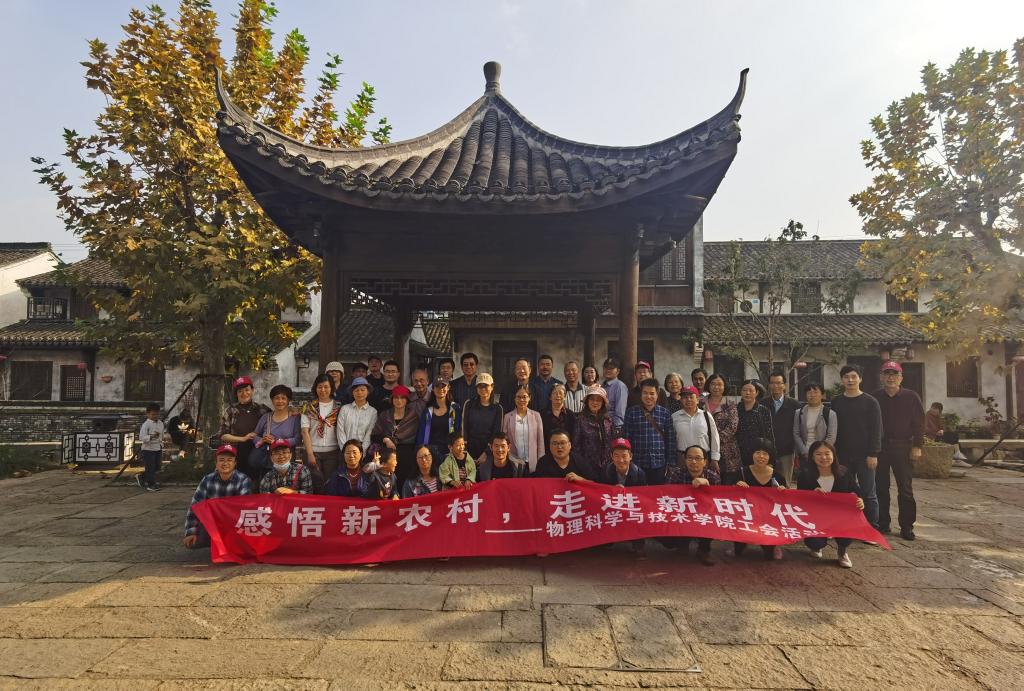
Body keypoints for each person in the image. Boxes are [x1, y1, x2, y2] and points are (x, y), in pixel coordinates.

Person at [873, 361, 924, 540]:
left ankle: (907, 526)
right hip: (881, 448)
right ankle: (882, 523)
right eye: (887, 374)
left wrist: (917, 446)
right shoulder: (875, 397)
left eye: (894, 374)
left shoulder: (911, 397)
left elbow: (919, 423)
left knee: (905, 489)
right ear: (881, 377)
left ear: (901, 378)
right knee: (880, 487)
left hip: (903, 447)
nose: (891, 378)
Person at [797, 440, 864, 568]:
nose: (823, 457)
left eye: (827, 453)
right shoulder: (805, 475)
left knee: (847, 529)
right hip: (816, 518)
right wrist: (811, 493)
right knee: (815, 542)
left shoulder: (844, 472)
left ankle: (842, 552)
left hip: (840, 517)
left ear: (833, 455)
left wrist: (860, 500)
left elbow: (856, 491)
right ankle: (816, 547)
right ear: (812, 457)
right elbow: (799, 499)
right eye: (818, 454)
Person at [831, 364, 882, 529]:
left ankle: (871, 527)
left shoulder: (871, 402)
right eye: (846, 377)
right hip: (843, 455)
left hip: (865, 455)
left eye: (854, 377)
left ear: (860, 379)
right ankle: (846, 526)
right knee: (844, 491)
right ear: (842, 380)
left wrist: (873, 453)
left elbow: (876, 429)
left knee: (868, 492)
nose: (850, 380)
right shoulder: (836, 402)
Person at [183, 444, 252, 548]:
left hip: (234, 524)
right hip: (213, 523)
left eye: (229, 460)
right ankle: (216, 544)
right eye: (221, 460)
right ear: (216, 463)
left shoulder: (243, 480)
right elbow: (195, 506)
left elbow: (245, 508)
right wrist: (191, 531)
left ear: (235, 463)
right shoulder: (207, 480)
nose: (225, 463)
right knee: (194, 543)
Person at [733, 437, 788, 561]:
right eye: (757, 452)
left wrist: (783, 491)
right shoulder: (742, 472)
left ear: (770, 456)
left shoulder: (778, 476)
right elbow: (728, 497)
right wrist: (736, 486)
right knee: (738, 552)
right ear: (751, 454)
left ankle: (775, 545)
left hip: (769, 519)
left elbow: (785, 503)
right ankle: (738, 542)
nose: (761, 456)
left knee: (769, 556)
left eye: (765, 453)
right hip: (746, 516)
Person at [663, 445, 719, 566]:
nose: (693, 462)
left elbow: (718, 503)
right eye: (690, 458)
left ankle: (703, 550)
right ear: (685, 460)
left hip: (703, 515)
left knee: (712, 518)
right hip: (681, 513)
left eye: (698, 458)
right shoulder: (675, 474)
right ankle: (682, 543)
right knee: (667, 540)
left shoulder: (713, 477)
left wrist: (707, 486)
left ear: (705, 461)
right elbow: (667, 498)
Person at [217, 376, 271, 486]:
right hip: (238, 453)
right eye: (240, 391)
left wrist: (291, 410)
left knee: (256, 485)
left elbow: (278, 417)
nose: (244, 393)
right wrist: (243, 438)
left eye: (247, 390)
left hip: (258, 453)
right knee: (239, 485)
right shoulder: (231, 410)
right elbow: (223, 435)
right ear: (236, 394)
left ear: (252, 390)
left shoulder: (262, 409)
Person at [623, 378, 676, 485]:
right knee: (637, 492)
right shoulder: (631, 412)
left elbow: (670, 440)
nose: (648, 396)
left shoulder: (665, 413)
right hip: (637, 463)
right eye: (645, 393)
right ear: (641, 394)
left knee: (657, 492)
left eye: (652, 393)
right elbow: (626, 439)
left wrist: (671, 463)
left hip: (659, 463)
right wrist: (627, 461)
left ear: (657, 394)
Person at [371, 384, 420, 487]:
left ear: (407, 400)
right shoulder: (385, 415)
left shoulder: (413, 416)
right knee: (387, 484)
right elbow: (374, 435)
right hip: (387, 455)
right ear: (392, 400)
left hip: (407, 456)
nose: (399, 400)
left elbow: (417, 438)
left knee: (405, 484)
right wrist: (386, 440)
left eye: (402, 398)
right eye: (396, 398)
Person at [301, 374, 343, 493]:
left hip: (332, 452)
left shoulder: (339, 407)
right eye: (319, 387)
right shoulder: (308, 407)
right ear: (315, 388)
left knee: (330, 484)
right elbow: (304, 431)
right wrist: (310, 454)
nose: (323, 390)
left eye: (326, 387)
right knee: (315, 484)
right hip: (313, 451)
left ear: (332, 388)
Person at [251, 384, 302, 477]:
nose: (280, 401)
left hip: (286, 461)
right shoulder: (266, 417)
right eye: (277, 398)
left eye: (283, 398)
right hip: (268, 462)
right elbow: (254, 435)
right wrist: (262, 440)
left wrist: (277, 442)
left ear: (288, 400)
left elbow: (297, 438)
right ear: (272, 400)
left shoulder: (295, 418)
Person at [671, 386, 721, 476]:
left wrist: (715, 459)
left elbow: (715, 437)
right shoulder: (674, 417)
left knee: (703, 483)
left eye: (691, 397)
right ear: (681, 400)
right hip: (682, 458)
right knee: (682, 482)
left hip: (702, 459)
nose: (688, 400)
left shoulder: (706, 415)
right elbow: (671, 440)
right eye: (685, 397)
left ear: (697, 400)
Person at [704, 373, 742, 485]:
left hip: (727, 451)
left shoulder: (730, 404)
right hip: (705, 449)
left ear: (724, 386)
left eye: (720, 384)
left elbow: (733, 426)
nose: (716, 387)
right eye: (713, 384)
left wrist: (714, 441)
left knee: (728, 483)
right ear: (708, 385)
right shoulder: (701, 402)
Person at [766, 371, 803, 486]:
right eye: (772, 383)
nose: (775, 386)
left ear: (784, 385)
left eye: (778, 383)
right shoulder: (763, 403)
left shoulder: (794, 405)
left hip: (786, 451)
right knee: (767, 483)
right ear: (769, 385)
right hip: (767, 451)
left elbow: (798, 429)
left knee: (784, 484)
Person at [735, 379, 775, 482]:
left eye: (751, 390)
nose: (747, 393)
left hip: (758, 454)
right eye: (744, 390)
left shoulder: (763, 410)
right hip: (738, 454)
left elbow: (769, 435)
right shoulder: (735, 409)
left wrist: (770, 458)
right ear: (741, 392)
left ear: (756, 393)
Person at [571, 385, 614, 480]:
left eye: (598, 400)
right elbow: (576, 446)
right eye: (592, 399)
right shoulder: (580, 419)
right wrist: (581, 464)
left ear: (603, 403)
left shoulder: (608, 420)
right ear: (587, 401)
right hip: (587, 466)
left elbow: (612, 442)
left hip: (607, 466)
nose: (595, 402)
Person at [793, 383, 839, 469]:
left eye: (815, 392)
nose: (812, 395)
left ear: (822, 394)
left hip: (823, 456)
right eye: (809, 392)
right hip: (805, 454)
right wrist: (805, 452)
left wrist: (819, 453)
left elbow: (831, 436)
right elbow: (796, 434)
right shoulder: (798, 412)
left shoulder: (830, 413)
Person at [418, 376, 460, 467]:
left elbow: (458, 431)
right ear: (433, 389)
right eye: (437, 386)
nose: (440, 389)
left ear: (448, 388)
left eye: (443, 386)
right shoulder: (428, 411)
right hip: (431, 454)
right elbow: (421, 435)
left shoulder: (455, 409)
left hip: (450, 453)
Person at [502, 385, 545, 472]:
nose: (521, 400)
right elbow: (504, 441)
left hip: (532, 462)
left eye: (524, 397)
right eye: (518, 397)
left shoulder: (536, 416)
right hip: (514, 462)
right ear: (514, 398)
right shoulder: (507, 417)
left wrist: (541, 461)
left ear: (529, 398)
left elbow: (540, 441)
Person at [461, 373, 503, 459]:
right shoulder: (469, 404)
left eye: (486, 386)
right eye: (480, 386)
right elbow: (464, 428)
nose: (483, 389)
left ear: (492, 387)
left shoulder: (498, 408)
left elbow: (496, 432)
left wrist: (487, 453)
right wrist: (465, 450)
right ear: (476, 388)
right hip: (469, 450)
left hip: (489, 452)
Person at [336, 376, 377, 452]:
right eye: (356, 390)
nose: (359, 393)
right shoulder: (344, 409)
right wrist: (345, 451)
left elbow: (369, 435)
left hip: (363, 449)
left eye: (363, 390)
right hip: (345, 448)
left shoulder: (373, 412)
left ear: (368, 392)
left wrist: (362, 453)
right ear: (352, 392)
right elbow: (340, 432)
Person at [138, 402, 165, 491]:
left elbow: (161, 435)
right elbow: (141, 437)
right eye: (153, 414)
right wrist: (150, 437)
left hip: (158, 447)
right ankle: (151, 484)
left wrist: (161, 443)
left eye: (156, 414)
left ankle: (142, 476)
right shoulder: (146, 424)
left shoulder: (160, 423)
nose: (155, 416)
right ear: (148, 414)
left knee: (157, 467)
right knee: (150, 467)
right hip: (148, 449)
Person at [601, 357, 629, 431]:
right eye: (606, 368)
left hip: (614, 428)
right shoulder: (602, 386)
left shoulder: (620, 386)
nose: (608, 370)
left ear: (618, 371)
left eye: (611, 368)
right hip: (601, 426)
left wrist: (615, 430)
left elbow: (620, 414)